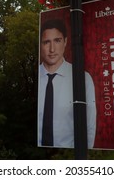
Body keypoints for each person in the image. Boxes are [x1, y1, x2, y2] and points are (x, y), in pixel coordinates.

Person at [38, 19, 96, 148]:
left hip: (67, 156)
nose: (52, 49)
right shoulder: (32, 78)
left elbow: (90, 126)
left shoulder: (82, 77)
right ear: (40, 45)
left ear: (65, 42)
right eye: (46, 42)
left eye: (57, 41)